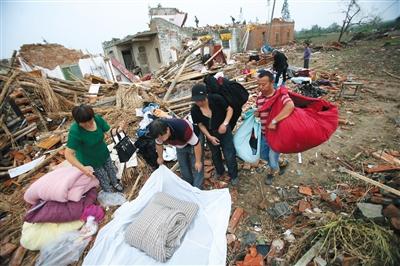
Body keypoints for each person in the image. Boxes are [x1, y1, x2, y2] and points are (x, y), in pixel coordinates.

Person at [65, 104, 123, 192]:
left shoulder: (97, 119)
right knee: (102, 177)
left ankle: (115, 183)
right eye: (84, 123)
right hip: (90, 160)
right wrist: (83, 169)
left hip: (103, 153)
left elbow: (109, 132)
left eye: (90, 121)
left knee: (111, 169)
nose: (88, 124)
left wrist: (119, 130)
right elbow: (68, 154)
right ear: (78, 122)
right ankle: (109, 191)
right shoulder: (75, 131)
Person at [190, 84, 239, 186]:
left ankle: (233, 175)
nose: (199, 102)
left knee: (229, 153)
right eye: (197, 100)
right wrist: (209, 136)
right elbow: (200, 124)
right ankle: (220, 171)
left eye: (201, 100)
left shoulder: (216, 99)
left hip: (224, 130)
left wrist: (225, 124)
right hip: (211, 133)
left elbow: (229, 110)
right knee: (215, 154)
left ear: (206, 96)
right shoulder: (194, 110)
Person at [255, 70, 294, 185]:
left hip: (276, 134)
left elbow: (290, 106)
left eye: (264, 84)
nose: (261, 87)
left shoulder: (280, 96)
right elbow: (261, 110)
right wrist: (258, 113)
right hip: (264, 133)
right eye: (259, 84)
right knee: (262, 154)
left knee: (272, 159)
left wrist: (275, 120)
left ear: (272, 82)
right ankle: (282, 163)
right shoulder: (259, 98)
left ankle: (271, 173)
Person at [148, 118, 204, 189]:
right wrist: (160, 157)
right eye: (159, 139)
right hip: (180, 144)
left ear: (168, 130)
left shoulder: (182, 128)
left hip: (194, 142)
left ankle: (197, 189)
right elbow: (159, 144)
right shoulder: (159, 133)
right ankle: (188, 186)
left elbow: (197, 144)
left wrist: (198, 161)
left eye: (162, 138)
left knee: (196, 167)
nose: (161, 140)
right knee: (183, 166)